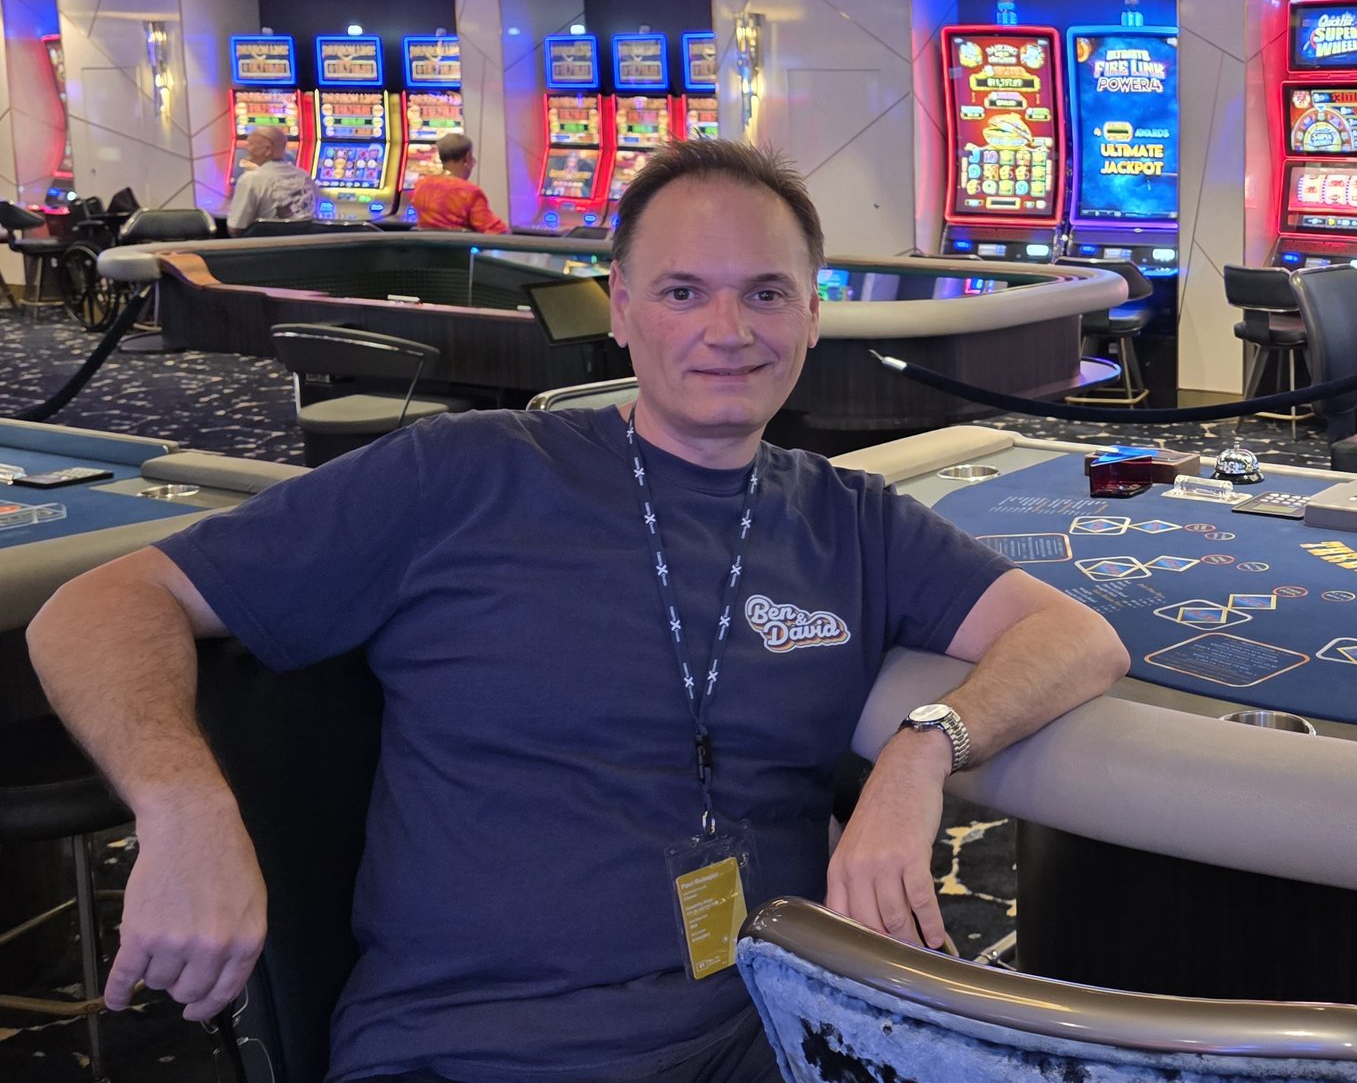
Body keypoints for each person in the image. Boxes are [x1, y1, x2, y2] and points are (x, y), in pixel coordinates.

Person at [27, 139, 1132, 1083]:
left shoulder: (851, 518)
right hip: (477, 1048)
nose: (728, 330)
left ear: (811, 312)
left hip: (772, 1032)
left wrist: (919, 755)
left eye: (765, 292)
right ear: (618, 304)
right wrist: (182, 806)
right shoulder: (464, 473)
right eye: (682, 290)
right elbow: (104, 603)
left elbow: (1074, 635)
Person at [404, 132, 510, 234]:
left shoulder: (421, 185)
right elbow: (496, 231)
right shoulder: (470, 192)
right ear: (467, 158)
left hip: (422, 250)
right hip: (459, 251)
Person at [225, 125, 313, 234]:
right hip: (306, 247)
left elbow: (236, 228)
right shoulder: (305, 176)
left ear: (267, 149)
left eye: (251, 144)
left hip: (264, 248)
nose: (246, 148)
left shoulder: (251, 179)